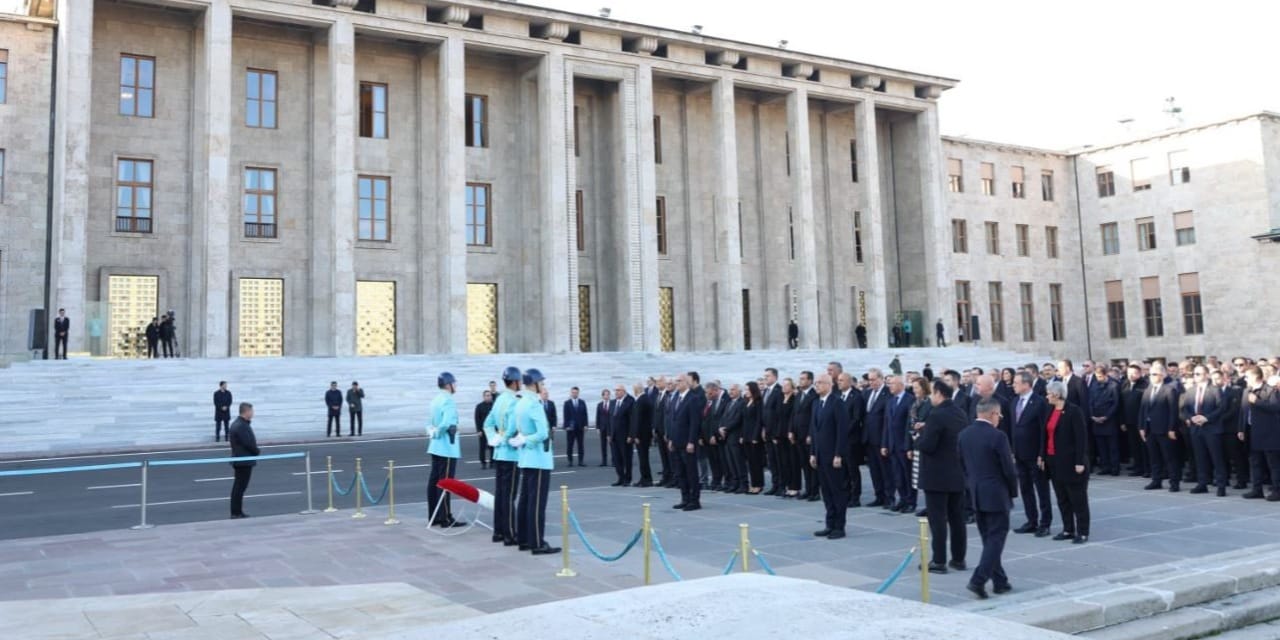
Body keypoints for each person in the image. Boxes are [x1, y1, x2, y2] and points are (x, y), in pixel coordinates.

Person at [959, 396, 1018, 599]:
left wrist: (971, 486)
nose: (999, 419)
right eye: (999, 415)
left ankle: (1000, 581)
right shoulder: (998, 436)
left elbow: (962, 466)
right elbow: (1008, 469)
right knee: (996, 538)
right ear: (992, 414)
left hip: (976, 492)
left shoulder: (964, 435)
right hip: (995, 493)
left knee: (989, 539)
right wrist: (1012, 491)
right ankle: (978, 579)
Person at [918, 380, 967, 574]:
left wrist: (918, 438)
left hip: (937, 475)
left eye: (932, 394)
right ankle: (958, 558)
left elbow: (929, 445)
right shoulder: (959, 412)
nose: (930, 398)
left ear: (938, 393)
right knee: (956, 518)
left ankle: (939, 560)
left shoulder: (936, 414)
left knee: (937, 519)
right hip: (957, 473)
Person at [511, 368, 559, 554]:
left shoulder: (521, 403)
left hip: (525, 457)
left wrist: (522, 439)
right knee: (537, 503)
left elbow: (520, 428)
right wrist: (528, 439)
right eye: (542, 382)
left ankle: (523, 539)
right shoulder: (534, 404)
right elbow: (542, 433)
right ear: (535, 383)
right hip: (538, 458)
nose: (543, 385)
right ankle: (537, 542)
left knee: (525, 500)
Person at [1041, 380, 1091, 544]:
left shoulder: (1073, 411)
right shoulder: (1049, 409)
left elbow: (1081, 438)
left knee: (1077, 498)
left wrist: (1079, 461)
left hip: (1070, 461)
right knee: (1062, 497)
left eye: (1048, 393)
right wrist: (1042, 455)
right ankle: (1068, 529)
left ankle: (1082, 531)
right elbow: (1045, 435)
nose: (1046, 396)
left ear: (1056, 394)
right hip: (1053, 460)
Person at [809, 373, 851, 539]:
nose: (817, 386)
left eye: (820, 383)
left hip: (833, 455)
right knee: (826, 491)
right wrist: (813, 452)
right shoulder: (816, 403)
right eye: (816, 383)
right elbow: (814, 430)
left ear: (829, 384)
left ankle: (839, 526)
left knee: (837, 491)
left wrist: (838, 454)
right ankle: (830, 523)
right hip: (820, 455)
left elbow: (842, 430)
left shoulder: (837, 403)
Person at [484, 367, 522, 545]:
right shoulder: (514, 400)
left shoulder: (499, 400)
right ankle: (510, 533)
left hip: (499, 452)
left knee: (500, 494)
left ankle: (498, 531)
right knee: (509, 495)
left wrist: (494, 438)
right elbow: (513, 427)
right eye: (519, 380)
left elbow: (487, 423)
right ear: (515, 381)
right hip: (510, 453)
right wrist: (505, 438)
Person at [1010, 372, 1051, 537]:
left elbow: (1043, 430)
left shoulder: (1040, 402)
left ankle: (1045, 523)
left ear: (1026, 384)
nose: (1013, 385)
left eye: (1016, 383)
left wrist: (1042, 453)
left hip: (1035, 454)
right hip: (1019, 453)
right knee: (1025, 489)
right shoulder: (1014, 402)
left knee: (1041, 489)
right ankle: (1031, 520)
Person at [1180, 364, 1227, 495]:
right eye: (1194, 374)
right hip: (1196, 429)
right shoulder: (1191, 391)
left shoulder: (1215, 390)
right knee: (1200, 458)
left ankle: (1221, 486)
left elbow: (1221, 408)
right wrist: (1192, 418)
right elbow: (1185, 409)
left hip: (1212, 429)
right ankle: (1202, 484)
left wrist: (1206, 418)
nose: (1196, 376)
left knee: (1217, 458)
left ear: (1206, 375)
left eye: (1198, 374)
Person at [427, 372, 465, 528]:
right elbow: (447, 423)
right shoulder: (448, 400)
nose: (455, 386)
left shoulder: (436, 400)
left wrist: (432, 431)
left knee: (434, 482)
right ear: (449, 384)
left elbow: (429, 422)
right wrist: (438, 432)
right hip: (447, 446)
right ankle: (445, 518)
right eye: (454, 383)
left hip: (435, 446)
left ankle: (434, 515)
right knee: (446, 483)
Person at [1140, 362, 1183, 491]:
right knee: (1154, 457)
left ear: (1162, 375)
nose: (1151, 377)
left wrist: (1171, 428)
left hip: (1164, 430)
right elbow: (1143, 409)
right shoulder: (1148, 389)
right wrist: (1141, 427)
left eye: (1154, 374)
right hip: (1150, 429)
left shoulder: (1169, 390)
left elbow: (1173, 411)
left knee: (1170, 457)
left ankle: (1174, 482)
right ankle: (1156, 480)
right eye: (1150, 374)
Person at [1241, 366, 1280, 501]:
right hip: (1252, 431)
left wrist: (1256, 401)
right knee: (1255, 462)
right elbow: (1244, 411)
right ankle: (1256, 490)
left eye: (1247, 376)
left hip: (1269, 432)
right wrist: (1241, 429)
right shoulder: (1247, 391)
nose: (1245, 379)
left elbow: (1275, 408)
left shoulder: (1270, 390)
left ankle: (1277, 490)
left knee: (1273, 463)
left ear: (1255, 376)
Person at [670, 372, 706, 511]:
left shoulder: (693, 398)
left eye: (679, 381)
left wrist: (692, 441)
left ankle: (694, 500)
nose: (676, 383)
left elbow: (694, 422)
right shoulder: (676, 398)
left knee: (691, 473)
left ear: (685, 382)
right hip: (677, 441)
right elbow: (674, 421)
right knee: (681, 473)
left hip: (687, 443)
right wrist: (672, 439)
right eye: (676, 381)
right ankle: (685, 498)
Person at [882, 375, 915, 513]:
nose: (890, 386)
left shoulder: (910, 400)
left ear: (901, 385)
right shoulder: (890, 401)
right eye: (889, 384)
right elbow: (886, 424)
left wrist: (909, 446)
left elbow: (910, 425)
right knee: (897, 475)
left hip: (903, 444)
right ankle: (902, 499)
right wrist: (884, 444)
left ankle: (911, 501)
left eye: (892, 384)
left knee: (907, 474)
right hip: (892, 444)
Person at [790, 371, 819, 501]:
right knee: (804, 464)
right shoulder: (798, 395)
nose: (800, 381)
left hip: (808, 435)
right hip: (797, 435)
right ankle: (808, 490)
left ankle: (815, 491)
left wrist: (810, 434)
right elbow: (793, 414)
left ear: (810, 381)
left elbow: (814, 417)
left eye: (803, 379)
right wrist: (791, 430)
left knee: (812, 464)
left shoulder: (814, 395)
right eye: (800, 378)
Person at [860, 370, 887, 507]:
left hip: (881, 438)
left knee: (885, 470)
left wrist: (885, 441)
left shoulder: (887, 393)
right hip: (868, 438)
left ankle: (889, 498)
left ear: (881, 379)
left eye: (874, 379)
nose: (871, 382)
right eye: (869, 380)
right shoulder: (866, 393)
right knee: (874, 470)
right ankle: (879, 496)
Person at [227, 402, 259, 519]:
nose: (253, 413)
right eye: (252, 411)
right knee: (240, 487)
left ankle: (237, 511)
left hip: (241, 460)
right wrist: (256, 451)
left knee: (239, 487)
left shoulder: (239, 424)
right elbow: (248, 443)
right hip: (243, 460)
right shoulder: (241, 425)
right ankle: (236, 512)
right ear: (246, 412)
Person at [907, 377, 932, 517]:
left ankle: (931, 506)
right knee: (919, 476)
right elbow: (909, 423)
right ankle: (927, 505)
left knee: (927, 475)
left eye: (916, 387)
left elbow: (933, 420)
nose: (914, 390)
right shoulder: (914, 403)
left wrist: (924, 425)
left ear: (924, 387)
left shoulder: (930, 402)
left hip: (925, 441)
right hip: (915, 440)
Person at [1120, 364, 1150, 478]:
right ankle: (1138, 466)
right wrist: (1122, 421)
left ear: (1139, 373)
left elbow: (1146, 405)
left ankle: (1147, 468)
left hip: (1141, 421)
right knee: (1134, 446)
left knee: (1144, 446)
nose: (1131, 375)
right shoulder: (1124, 385)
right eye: (1129, 373)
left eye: (1133, 373)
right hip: (1129, 421)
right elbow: (1121, 404)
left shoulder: (1145, 385)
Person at [1089, 368, 1120, 476]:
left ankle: (1115, 467)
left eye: (1100, 376)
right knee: (1101, 446)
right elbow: (1090, 401)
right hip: (1096, 420)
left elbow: (1115, 403)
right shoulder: (1094, 385)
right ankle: (1105, 466)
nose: (1098, 379)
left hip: (1109, 420)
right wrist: (1092, 415)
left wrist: (1106, 416)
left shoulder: (1113, 385)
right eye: (1097, 377)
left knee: (1112, 446)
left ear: (1106, 375)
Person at [719, 383, 747, 493]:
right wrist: (720, 428)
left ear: (739, 391)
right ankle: (735, 483)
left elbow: (737, 419)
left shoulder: (742, 403)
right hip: (726, 437)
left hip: (735, 436)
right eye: (730, 390)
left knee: (738, 462)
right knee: (730, 462)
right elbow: (723, 417)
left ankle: (743, 484)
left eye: (733, 390)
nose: (730, 392)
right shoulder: (729, 403)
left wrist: (725, 428)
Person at [742, 381, 764, 494]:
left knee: (756, 462)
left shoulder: (758, 401)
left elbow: (759, 420)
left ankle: (758, 484)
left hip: (754, 436)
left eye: (747, 389)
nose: (746, 391)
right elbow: (744, 420)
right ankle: (753, 483)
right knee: (750, 462)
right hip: (746, 435)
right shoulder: (746, 401)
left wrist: (756, 436)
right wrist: (742, 435)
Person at [610, 384, 635, 487]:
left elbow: (632, 420)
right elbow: (610, 419)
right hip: (614, 435)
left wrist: (631, 435)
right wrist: (609, 433)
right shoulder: (613, 402)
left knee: (626, 458)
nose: (616, 392)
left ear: (624, 391)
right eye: (615, 390)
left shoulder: (630, 401)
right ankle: (620, 477)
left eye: (618, 390)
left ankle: (627, 478)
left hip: (625, 435)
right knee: (616, 458)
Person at [562, 387, 589, 467]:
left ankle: (581, 461)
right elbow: (565, 416)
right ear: (571, 393)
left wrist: (586, 425)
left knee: (580, 445)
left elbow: (585, 414)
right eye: (573, 392)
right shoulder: (567, 403)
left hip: (580, 428)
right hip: (571, 428)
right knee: (570, 445)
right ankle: (570, 461)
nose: (574, 394)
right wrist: (566, 426)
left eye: (576, 392)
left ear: (578, 393)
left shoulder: (582, 402)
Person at [475, 390, 494, 469]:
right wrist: (478, 430)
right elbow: (477, 419)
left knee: (493, 446)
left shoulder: (494, 406)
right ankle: (483, 463)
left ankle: (492, 462)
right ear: (483, 397)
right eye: (486, 395)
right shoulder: (479, 406)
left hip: (492, 430)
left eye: (489, 395)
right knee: (482, 447)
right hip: (483, 430)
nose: (488, 397)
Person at [595, 389, 612, 467]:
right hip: (602, 427)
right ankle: (604, 461)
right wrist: (597, 427)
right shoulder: (599, 405)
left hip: (611, 428)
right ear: (602, 396)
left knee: (612, 445)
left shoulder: (613, 403)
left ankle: (614, 461)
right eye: (605, 395)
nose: (607, 396)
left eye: (608, 395)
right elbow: (598, 417)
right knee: (603, 445)